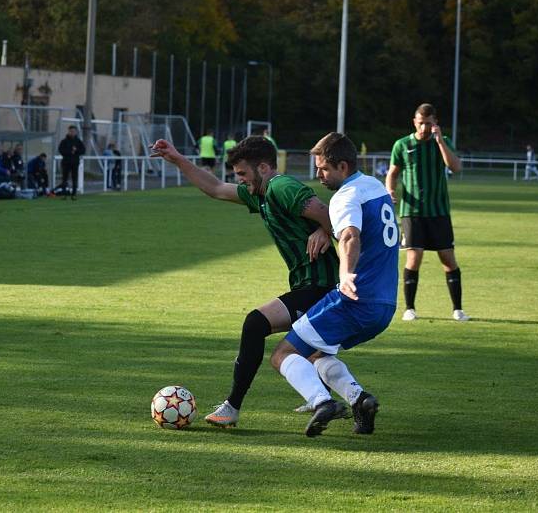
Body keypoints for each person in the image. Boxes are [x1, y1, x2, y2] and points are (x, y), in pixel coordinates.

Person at [151, 135, 340, 428]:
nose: (239, 180)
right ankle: (351, 400)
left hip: (321, 287)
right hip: (310, 285)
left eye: (242, 173)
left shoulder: (281, 186)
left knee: (255, 323)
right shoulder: (261, 193)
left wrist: (325, 230)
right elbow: (215, 188)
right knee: (312, 351)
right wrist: (176, 158)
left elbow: (328, 212)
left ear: (263, 167)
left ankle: (232, 407)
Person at [268, 132, 398, 437]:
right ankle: (360, 400)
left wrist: (345, 275)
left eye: (323, 169)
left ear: (342, 166)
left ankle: (322, 402)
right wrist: (328, 232)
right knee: (316, 353)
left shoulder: (345, 196)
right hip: (385, 305)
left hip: (354, 300)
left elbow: (351, 235)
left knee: (283, 354)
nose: (318, 175)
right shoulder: (375, 187)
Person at [386, 103, 469, 322]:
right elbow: (393, 173)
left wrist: (440, 141)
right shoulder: (402, 145)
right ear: (414, 122)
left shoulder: (443, 142)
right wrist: (390, 191)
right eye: (421, 123)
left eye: (428, 124)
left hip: (439, 211)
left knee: (448, 259)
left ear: (435, 123)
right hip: (411, 211)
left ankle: (458, 309)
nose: (424, 128)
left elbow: (456, 167)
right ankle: (410, 309)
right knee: (414, 256)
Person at [57, 125, 85, 200]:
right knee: (64, 179)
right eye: (71, 131)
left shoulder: (78, 141)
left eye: (74, 131)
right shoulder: (64, 141)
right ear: (68, 131)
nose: (72, 133)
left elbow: (83, 150)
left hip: (75, 162)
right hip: (66, 162)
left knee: (74, 178)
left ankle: (74, 194)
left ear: (76, 132)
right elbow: (61, 150)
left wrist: (76, 151)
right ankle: (63, 194)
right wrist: (70, 152)